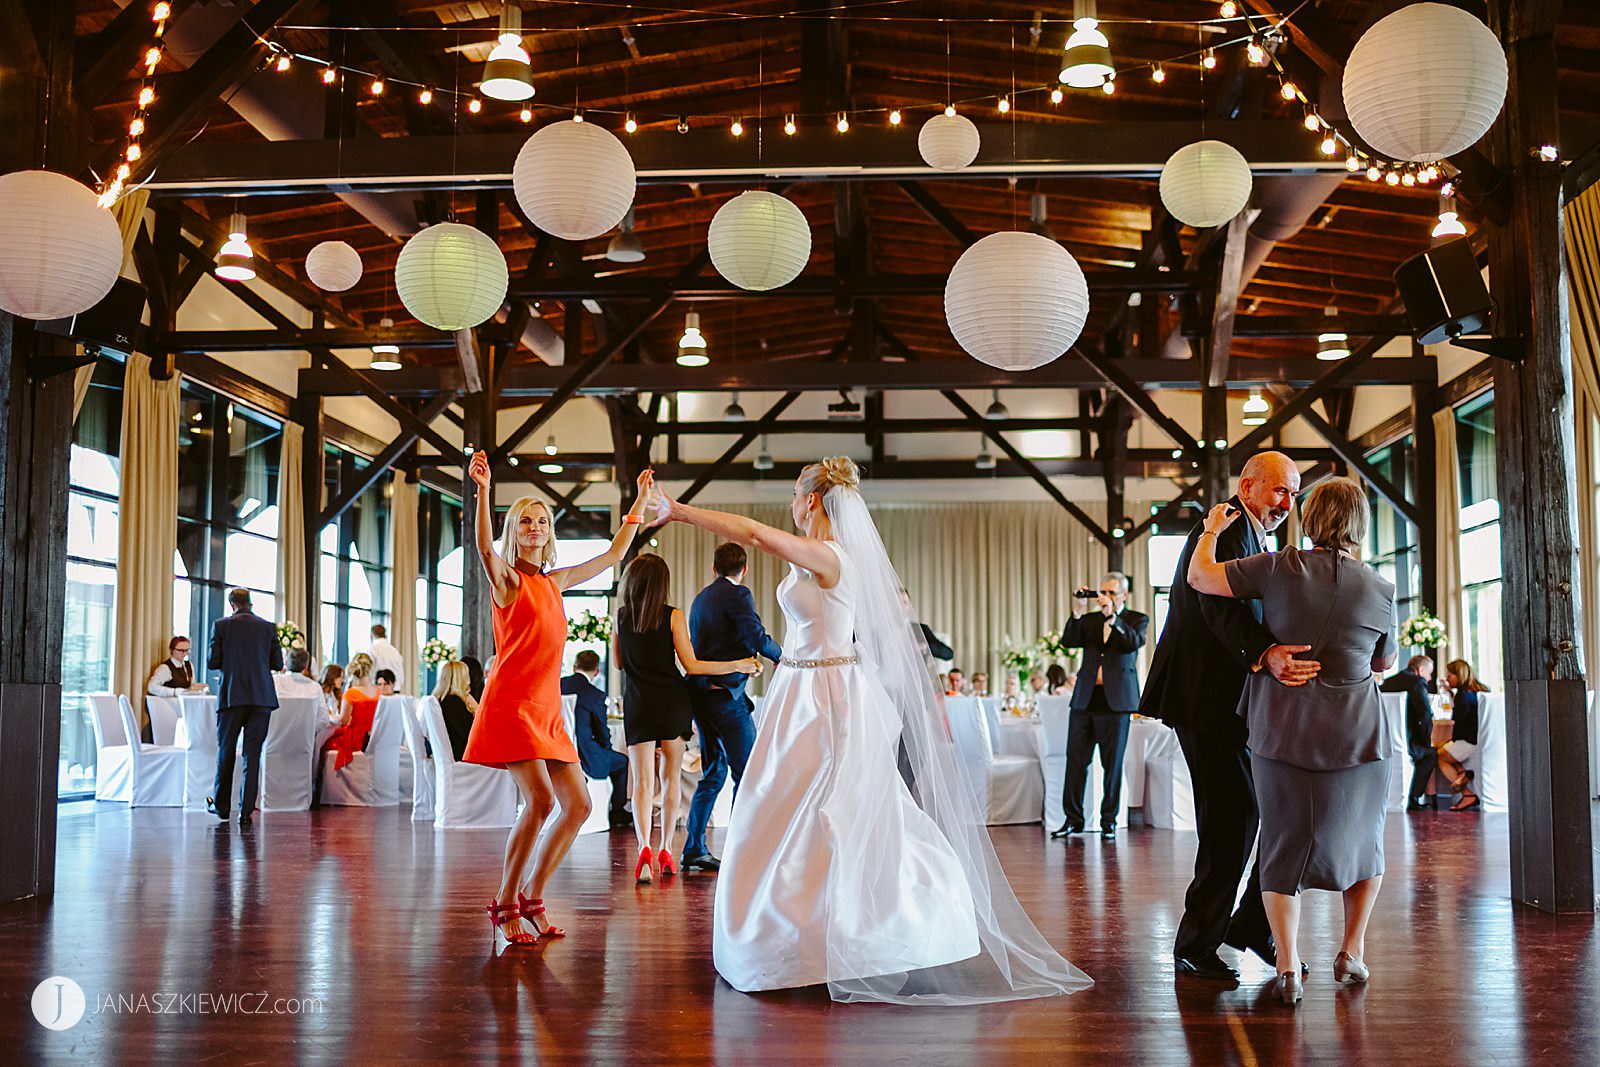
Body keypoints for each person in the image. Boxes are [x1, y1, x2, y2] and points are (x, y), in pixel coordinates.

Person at [647, 456, 1091, 1003]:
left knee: (826, 805)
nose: (790, 503)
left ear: (811, 501)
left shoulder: (831, 556)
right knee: (788, 807)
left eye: (794, 493)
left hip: (825, 698)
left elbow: (756, 535)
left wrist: (679, 511)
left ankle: (839, 933)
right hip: (803, 690)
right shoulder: (823, 556)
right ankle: (797, 929)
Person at [1187, 478, 1398, 1006]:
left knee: (1280, 844)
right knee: (1364, 844)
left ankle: (1285, 964)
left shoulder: (1280, 567)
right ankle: (1351, 950)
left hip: (1282, 730)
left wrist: (1212, 530)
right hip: (1357, 735)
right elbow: (1384, 662)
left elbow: (1200, 577)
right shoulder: (1380, 587)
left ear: (1311, 518)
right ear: (1360, 526)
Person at [1140, 451, 1320, 982]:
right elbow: (1217, 605)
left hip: (1225, 705)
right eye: (1279, 491)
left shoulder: (1249, 531)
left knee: (1262, 815)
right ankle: (1198, 944)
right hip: (1205, 700)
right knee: (1230, 824)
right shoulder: (1226, 526)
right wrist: (1265, 654)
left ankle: (1249, 927)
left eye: (1293, 495)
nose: (1287, 504)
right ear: (1248, 486)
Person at [462, 452, 654, 950]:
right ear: (515, 530)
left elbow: (614, 555)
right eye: (525, 520)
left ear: (549, 533)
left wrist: (637, 503)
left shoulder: (555, 582)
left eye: (541, 521)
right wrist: (483, 490)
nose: (534, 527)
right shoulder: (508, 580)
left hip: (546, 709)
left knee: (579, 805)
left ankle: (532, 896)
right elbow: (484, 549)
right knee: (542, 801)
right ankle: (504, 901)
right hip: (512, 703)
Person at [615, 553, 758, 885]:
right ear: (662, 584)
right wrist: (738, 664)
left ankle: (643, 851)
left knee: (641, 783)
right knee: (670, 780)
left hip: (638, 705)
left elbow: (620, 664)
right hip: (671, 702)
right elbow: (692, 666)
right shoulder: (673, 616)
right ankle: (666, 849)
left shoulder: (621, 617)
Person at [682, 542, 784, 872]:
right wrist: (783, 655)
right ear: (745, 569)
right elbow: (756, 637)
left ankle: (694, 847)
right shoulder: (738, 595)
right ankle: (746, 847)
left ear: (714, 568)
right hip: (726, 698)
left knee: (713, 773)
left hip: (702, 696)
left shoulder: (701, 599)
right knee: (749, 773)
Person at [1053, 571, 1149, 840]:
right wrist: (1077, 611)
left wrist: (1111, 617)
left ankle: (1109, 821)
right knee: (1075, 763)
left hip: (1116, 703)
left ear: (1123, 595)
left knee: (1112, 765)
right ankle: (1073, 820)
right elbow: (1068, 641)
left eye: (1111, 593)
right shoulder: (1090, 620)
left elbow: (1133, 643)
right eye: (1102, 592)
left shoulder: (1137, 619)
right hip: (1085, 699)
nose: (1105, 597)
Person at [205, 588, 282, 828]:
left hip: (232, 696)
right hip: (261, 697)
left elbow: (212, 662)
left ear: (232, 605)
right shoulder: (268, 627)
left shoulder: (221, 626)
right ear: (250, 603)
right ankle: (246, 811)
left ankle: (221, 807)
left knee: (226, 750)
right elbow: (277, 663)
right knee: (252, 754)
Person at [560, 650, 629, 830]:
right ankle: (617, 811)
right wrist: (606, 750)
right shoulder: (594, 694)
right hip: (585, 754)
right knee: (622, 762)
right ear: (597, 671)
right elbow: (602, 732)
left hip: (556, 750)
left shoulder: (557, 685)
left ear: (575, 666)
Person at [318, 652, 378, 806]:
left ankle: (320, 791)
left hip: (357, 740)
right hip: (374, 739)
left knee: (323, 744)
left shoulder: (351, 693)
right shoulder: (379, 692)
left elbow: (344, 721)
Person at [1381, 655, 1438, 810]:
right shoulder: (1418, 682)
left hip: (1383, 741)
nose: (1430, 678)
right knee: (1430, 754)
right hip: (1408, 741)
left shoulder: (1388, 682)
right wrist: (1426, 740)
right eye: (1429, 673)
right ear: (1421, 670)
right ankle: (1413, 798)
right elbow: (1425, 715)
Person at [1437, 658, 1489, 812]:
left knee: (1439, 756)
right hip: (1481, 740)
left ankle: (1467, 794)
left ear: (1459, 675)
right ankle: (1462, 772)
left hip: (1468, 741)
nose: (1447, 679)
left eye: (1450, 676)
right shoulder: (1480, 690)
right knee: (1442, 746)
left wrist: (1450, 740)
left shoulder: (1462, 696)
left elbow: (1458, 724)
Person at [434, 660, 478, 762]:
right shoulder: (453, 703)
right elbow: (471, 736)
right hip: (463, 757)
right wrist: (476, 710)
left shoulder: (441, 700)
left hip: (452, 756)